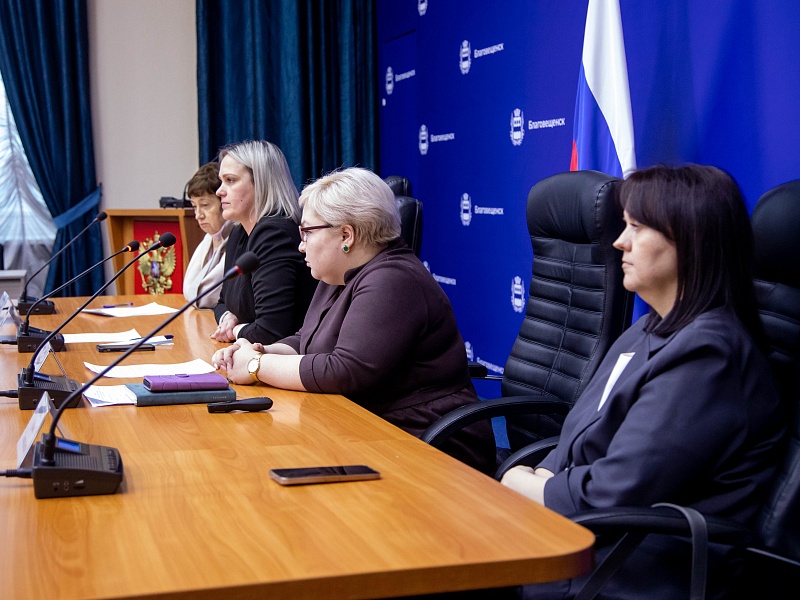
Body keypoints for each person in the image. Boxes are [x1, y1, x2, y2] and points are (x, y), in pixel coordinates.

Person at [501, 164, 785, 600]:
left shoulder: (709, 356)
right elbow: (583, 430)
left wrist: (520, 484)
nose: (620, 241)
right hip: (589, 538)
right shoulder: (650, 328)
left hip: (632, 567)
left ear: (690, 241)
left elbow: (614, 493)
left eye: (636, 227)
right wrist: (543, 472)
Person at [212, 167, 495, 474]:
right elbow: (306, 339)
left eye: (307, 232)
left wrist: (256, 367)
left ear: (346, 235)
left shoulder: (393, 279)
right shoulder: (337, 275)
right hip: (369, 430)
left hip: (428, 444)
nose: (300, 245)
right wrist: (258, 350)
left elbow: (345, 370)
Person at [211, 140, 317, 344]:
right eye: (221, 181)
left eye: (230, 180)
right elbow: (222, 302)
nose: (219, 191)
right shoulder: (239, 233)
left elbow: (271, 330)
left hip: (289, 355)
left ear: (261, 183)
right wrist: (227, 317)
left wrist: (235, 330)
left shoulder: (274, 234)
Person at [183, 161, 234, 308]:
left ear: (224, 201)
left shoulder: (237, 238)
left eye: (205, 205)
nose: (198, 215)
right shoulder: (208, 238)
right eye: (194, 207)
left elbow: (204, 296)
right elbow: (188, 290)